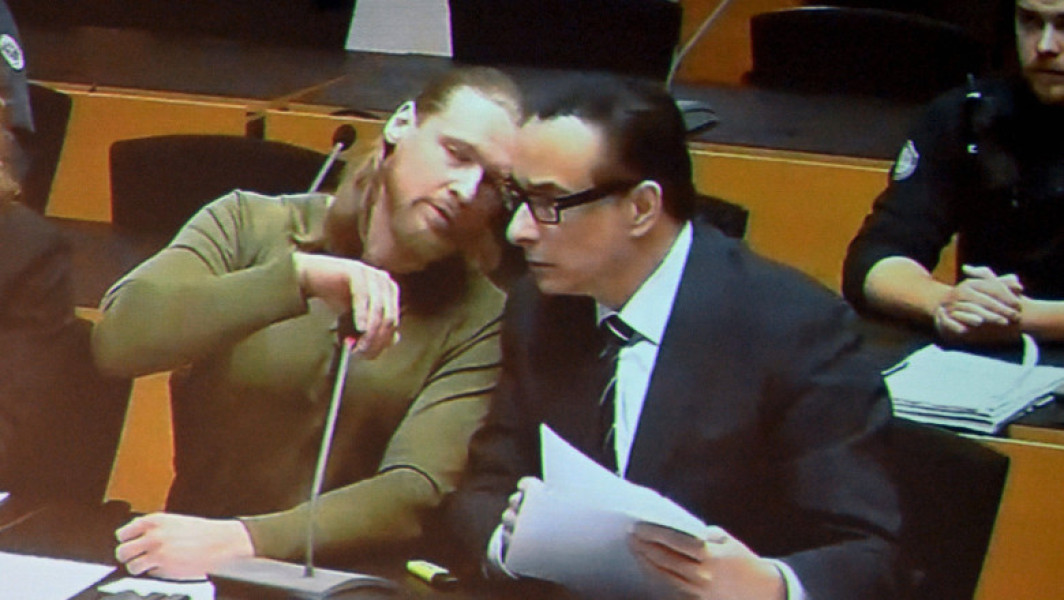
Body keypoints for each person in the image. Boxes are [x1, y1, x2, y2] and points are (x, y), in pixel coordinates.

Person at [446, 74, 901, 600]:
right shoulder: (540, 308)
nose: (518, 230)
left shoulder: (794, 329)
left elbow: (870, 556)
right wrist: (509, 543)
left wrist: (773, 586)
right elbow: (486, 484)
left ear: (641, 208)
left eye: (549, 203)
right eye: (518, 197)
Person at [91, 66, 522, 580]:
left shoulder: (481, 315)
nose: (468, 190)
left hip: (351, 581)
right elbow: (118, 340)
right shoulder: (250, 223)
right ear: (402, 123)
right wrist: (294, 280)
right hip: (188, 568)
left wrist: (247, 541)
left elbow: (416, 490)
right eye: (457, 154)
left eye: (493, 183)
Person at [843, 0, 1064, 346]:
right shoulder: (968, 114)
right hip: (985, 353)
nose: (1045, 45)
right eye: (1030, 21)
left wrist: (1023, 319)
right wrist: (944, 302)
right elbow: (876, 258)